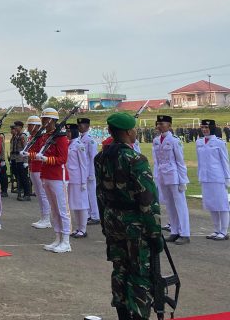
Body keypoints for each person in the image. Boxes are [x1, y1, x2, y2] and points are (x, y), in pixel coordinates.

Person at [96, 112, 163, 320]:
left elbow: (100, 194)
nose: (135, 132)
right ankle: (138, 314)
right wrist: (154, 232)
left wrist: (105, 224)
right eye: (133, 129)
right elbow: (147, 200)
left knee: (120, 268)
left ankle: (122, 312)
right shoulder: (136, 159)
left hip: (112, 219)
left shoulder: (101, 158)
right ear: (127, 132)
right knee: (139, 272)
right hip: (134, 224)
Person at [35, 107, 72, 253]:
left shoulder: (61, 137)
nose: (43, 121)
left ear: (51, 120)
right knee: (54, 210)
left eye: (45, 119)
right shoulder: (45, 136)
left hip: (58, 176)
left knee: (63, 210)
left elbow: (63, 159)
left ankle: (66, 241)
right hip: (47, 175)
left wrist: (46, 159)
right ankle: (58, 238)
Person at [152, 114, 190, 244]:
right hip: (162, 176)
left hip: (174, 176)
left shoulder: (174, 140)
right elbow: (156, 161)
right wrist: (156, 177)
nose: (159, 126)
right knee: (169, 205)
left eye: (162, 124)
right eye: (158, 124)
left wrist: (183, 180)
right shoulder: (156, 140)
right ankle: (174, 231)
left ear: (169, 126)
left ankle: (185, 233)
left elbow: (180, 162)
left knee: (180, 205)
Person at [196, 119, 230, 240]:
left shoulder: (219, 142)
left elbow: (225, 161)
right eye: (203, 127)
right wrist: (199, 175)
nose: (204, 130)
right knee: (211, 204)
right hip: (205, 177)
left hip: (217, 177)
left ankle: (224, 231)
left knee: (222, 205)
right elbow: (200, 162)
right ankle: (216, 230)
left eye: (207, 127)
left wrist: (227, 178)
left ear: (212, 128)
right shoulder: (199, 142)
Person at [21, 115, 52, 228]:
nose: (28, 127)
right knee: (39, 194)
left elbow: (40, 153)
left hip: (39, 167)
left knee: (42, 194)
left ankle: (47, 218)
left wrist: (28, 154)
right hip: (33, 166)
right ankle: (43, 217)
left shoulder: (41, 138)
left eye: (30, 125)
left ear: (35, 126)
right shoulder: (32, 137)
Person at [66, 123, 90, 238]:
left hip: (78, 179)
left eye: (69, 132)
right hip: (71, 178)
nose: (67, 134)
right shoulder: (69, 144)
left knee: (82, 204)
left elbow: (83, 164)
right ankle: (78, 227)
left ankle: (83, 229)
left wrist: (84, 181)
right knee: (74, 204)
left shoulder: (79, 145)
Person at [78, 117, 101, 224]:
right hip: (83, 172)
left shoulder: (90, 140)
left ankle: (95, 216)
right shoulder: (81, 138)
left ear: (87, 126)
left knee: (91, 195)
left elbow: (93, 157)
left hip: (89, 172)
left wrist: (92, 173)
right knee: (85, 195)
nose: (79, 127)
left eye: (81, 125)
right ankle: (88, 215)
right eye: (78, 125)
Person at [10, 121, 31, 201]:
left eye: (17, 126)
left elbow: (26, 149)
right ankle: (21, 192)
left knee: (24, 178)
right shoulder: (16, 136)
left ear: (21, 127)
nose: (15, 128)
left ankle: (27, 194)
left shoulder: (23, 136)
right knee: (19, 177)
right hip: (16, 160)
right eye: (15, 126)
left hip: (22, 160)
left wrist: (26, 161)